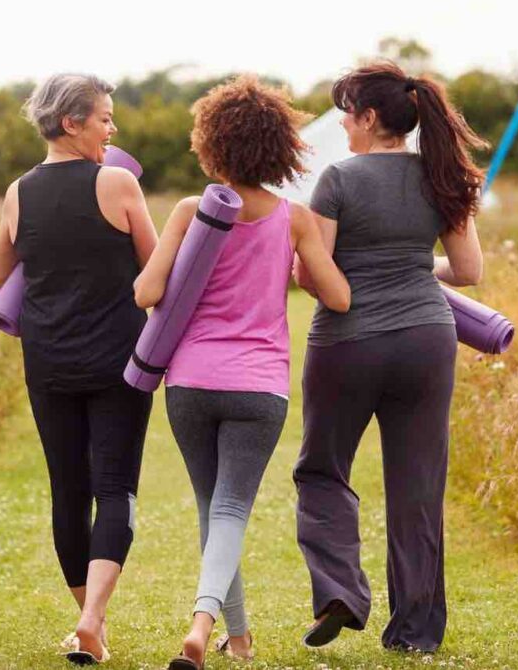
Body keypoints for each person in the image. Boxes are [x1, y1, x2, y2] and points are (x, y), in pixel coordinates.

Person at [133, 75, 351, 670]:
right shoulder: (296, 219)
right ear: (281, 148)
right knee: (229, 511)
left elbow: (145, 291)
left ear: (210, 143)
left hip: (190, 382)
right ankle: (204, 624)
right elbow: (337, 298)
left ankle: (240, 638)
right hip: (259, 386)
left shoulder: (190, 211)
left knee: (212, 509)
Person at [292, 60, 486, 654]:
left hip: (349, 341)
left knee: (322, 470)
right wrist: (411, 265)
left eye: (348, 114)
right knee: (417, 486)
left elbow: (314, 275)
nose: (344, 126)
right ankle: (415, 634)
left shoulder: (339, 179)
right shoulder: (441, 177)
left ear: (370, 118)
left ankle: (342, 592)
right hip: (428, 338)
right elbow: (470, 271)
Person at [0, 72, 158, 665]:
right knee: (115, 488)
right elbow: (155, 273)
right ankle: (92, 621)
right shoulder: (117, 183)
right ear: (72, 122)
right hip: (120, 362)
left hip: (48, 360)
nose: (113, 129)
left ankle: (89, 625)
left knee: (69, 489)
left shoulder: (17, 192)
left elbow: (1, 272)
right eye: (105, 118)